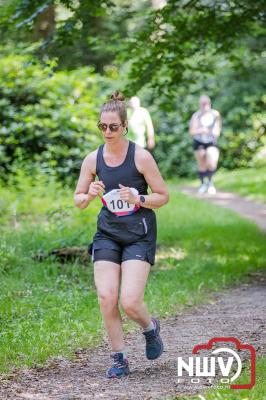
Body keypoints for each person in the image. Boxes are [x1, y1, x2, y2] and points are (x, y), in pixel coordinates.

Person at [74, 90, 169, 378]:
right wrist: (88, 194)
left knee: (129, 301)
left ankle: (150, 328)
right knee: (106, 297)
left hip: (138, 234)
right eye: (102, 126)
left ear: (125, 126)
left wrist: (138, 198)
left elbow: (163, 196)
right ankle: (119, 358)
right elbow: (78, 200)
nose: (107, 132)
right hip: (107, 234)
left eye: (113, 127)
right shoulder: (93, 159)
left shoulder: (141, 157)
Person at [189, 95, 222, 194]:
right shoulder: (196, 115)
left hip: (211, 141)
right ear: (200, 104)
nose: (204, 106)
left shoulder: (215, 114)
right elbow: (192, 132)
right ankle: (204, 184)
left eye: (206, 103)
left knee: (211, 162)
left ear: (210, 103)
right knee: (201, 163)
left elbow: (217, 129)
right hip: (199, 141)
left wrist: (214, 132)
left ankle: (211, 183)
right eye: (202, 104)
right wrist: (201, 130)